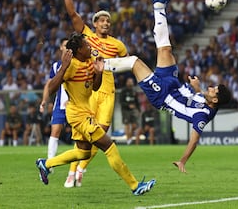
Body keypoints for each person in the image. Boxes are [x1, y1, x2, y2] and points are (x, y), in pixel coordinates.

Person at [103, 0, 232, 173]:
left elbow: (194, 140)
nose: (211, 88)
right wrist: (199, 89)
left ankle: (98, 65)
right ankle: (159, 5)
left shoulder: (202, 116)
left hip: (162, 95)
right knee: (166, 50)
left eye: (214, 90)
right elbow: (201, 97)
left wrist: (183, 161)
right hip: (174, 85)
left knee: (134, 62)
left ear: (215, 100)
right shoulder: (208, 99)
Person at [35, 33, 155, 196]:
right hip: (79, 116)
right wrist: (63, 68)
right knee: (109, 146)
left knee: (83, 152)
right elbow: (51, 88)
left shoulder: (90, 62)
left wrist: (98, 73)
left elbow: (95, 88)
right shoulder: (71, 66)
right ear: (79, 50)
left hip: (84, 112)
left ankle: (46, 164)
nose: (90, 47)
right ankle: (135, 186)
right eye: (86, 45)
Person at [53, 0, 128, 188]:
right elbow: (72, 12)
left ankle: (81, 170)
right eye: (102, 20)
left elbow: (126, 62)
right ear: (95, 23)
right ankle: (71, 171)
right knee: (85, 138)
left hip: (107, 91)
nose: (106, 23)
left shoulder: (118, 45)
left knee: (101, 135)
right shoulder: (86, 36)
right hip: (88, 93)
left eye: (108, 21)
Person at [40, 38, 71, 159]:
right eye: (65, 45)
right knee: (55, 132)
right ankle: (50, 162)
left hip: (75, 104)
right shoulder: (55, 66)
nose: (67, 47)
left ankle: (80, 165)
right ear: (61, 47)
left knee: (81, 134)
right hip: (60, 104)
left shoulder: (77, 63)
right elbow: (48, 85)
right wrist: (44, 100)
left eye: (69, 45)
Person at [120, 77, 141, 145]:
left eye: (131, 82)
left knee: (135, 125)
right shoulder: (123, 91)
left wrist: (139, 110)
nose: (130, 83)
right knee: (127, 124)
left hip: (133, 110)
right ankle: (128, 139)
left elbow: (137, 101)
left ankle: (130, 135)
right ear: (126, 83)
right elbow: (121, 101)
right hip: (125, 110)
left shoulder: (134, 91)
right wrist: (128, 105)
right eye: (129, 82)